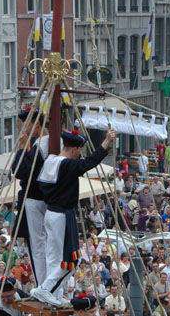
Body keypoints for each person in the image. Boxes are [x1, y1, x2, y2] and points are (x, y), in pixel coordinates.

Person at [33, 127, 116, 306]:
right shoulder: (67, 165)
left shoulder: (50, 161)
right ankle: (46, 289)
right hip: (62, 215)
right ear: (74, 149)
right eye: (80, 151)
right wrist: (106, 142)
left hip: (51, 212)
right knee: (70, 259)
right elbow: (89, 163)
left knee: (54, 257)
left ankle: (54, 293)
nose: (80, 154)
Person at [12, 107, 49, 287]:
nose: (23, 129)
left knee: (37, 244)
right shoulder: (51, 142)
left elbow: (20, 170)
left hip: (34, 198)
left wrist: (22, 147)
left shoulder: (39, 145)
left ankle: (42, 284)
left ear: (35, 124)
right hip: (49, 199)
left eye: (25, 124)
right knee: (47, 243)